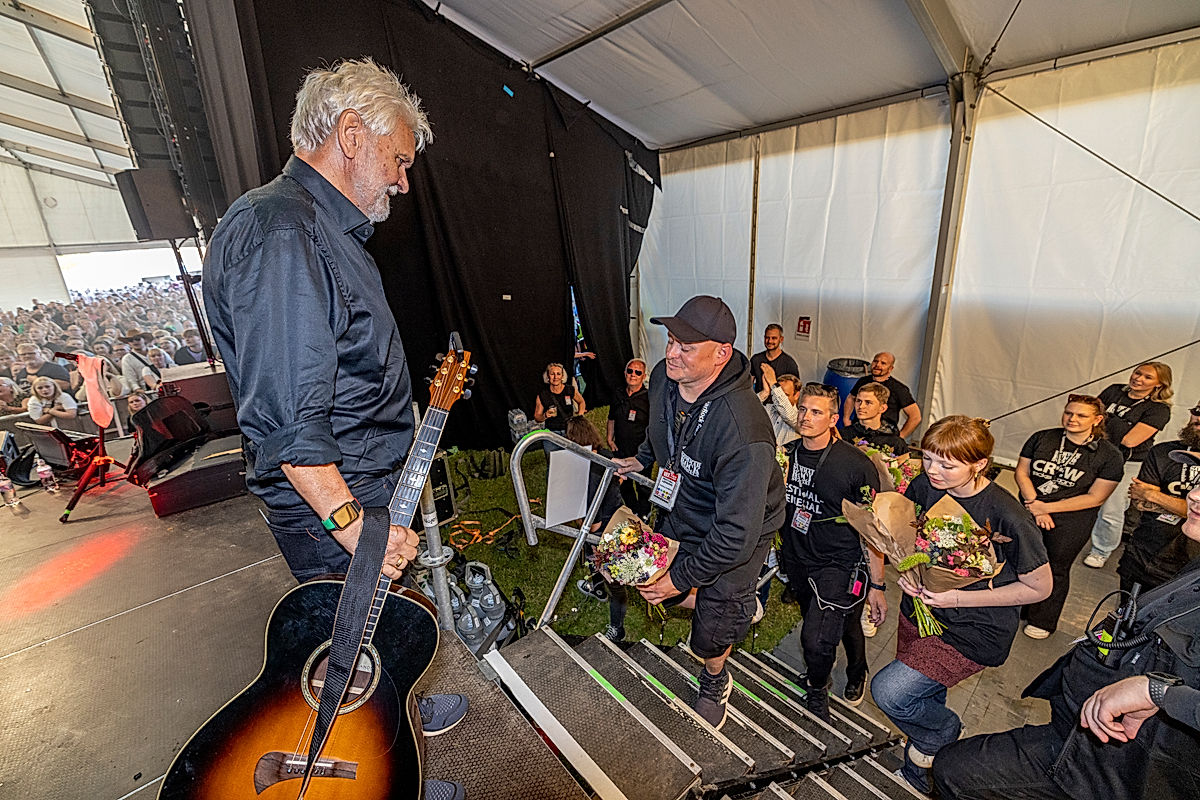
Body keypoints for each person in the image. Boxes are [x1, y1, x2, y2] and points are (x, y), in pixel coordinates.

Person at [201, 58, 468, 775]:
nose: (404, 181)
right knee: (342, 656)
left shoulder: (323, 230)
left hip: (360, 489)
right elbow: (291, 421)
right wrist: (356, 529)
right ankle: (362, 766)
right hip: (335, 502)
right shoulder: (287, 233)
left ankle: (401, 705)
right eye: (398, 159)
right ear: (352, 135)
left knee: (378, 633)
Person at [933, 456, 1200, 800]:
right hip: (1083, 737)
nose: (1193, 494)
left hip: (1124, 772)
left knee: (957, 772)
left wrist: (1160, 693)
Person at [614, 295, 785, 731]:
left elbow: (736, 535)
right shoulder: (663, 377)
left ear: (721, 353)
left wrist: (681, 576)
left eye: (686, 347)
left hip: (738, 531)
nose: (671, 353)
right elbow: (662, 426)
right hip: (687, 503)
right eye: (670, 340)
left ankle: (716, 676)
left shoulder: (743, 429)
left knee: (708, 632)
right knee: (658, 579)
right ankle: (731, 604)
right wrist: (642, 457)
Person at [871, 415, 1051, 794]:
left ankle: (944, 734)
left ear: (980, 464)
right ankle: (921, 768)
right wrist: (909, 572)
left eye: (947, 465)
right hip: (920, 612)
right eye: (929, 459)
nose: (933, 471)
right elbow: (911, 540)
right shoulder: (926, 484)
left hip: (974, 629)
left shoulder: (1008, 514)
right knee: (926, 693)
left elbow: (1039, 588)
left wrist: (958, 596)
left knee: (891, 692)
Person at [780, 382, 885, 719]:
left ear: (833, 418)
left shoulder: (855, 464)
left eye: (816, 412)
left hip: (839, 562)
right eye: (802, 409)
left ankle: (820, 685)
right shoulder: (788, 452)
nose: (805, 417)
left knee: (817, 638)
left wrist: (878, 585)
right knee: (843, 621)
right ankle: (848, 667)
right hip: (798, 557)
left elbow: (875, 527)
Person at [1016, 395, 1123, 638]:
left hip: (1070, 519)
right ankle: (1017, 605)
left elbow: (1096, 497)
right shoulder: (1042, 437)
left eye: (1081, 415)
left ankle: (1042, 619)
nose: (1072, 419)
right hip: (1031, 507)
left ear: (1097, 420)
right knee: (1020, 558)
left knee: (1055, 566)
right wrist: (1035, 504)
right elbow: (1022, 472)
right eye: (1068, 413)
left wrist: (1047, 509)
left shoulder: (1109, 455)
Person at [1085, 363, 1174, 568]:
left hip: (1129, 462)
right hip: (1096, 453)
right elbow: (1086, 417)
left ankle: (1101, 550)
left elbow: (1129, 440)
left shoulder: (1158, 410)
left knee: (1111, 507)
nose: (1138, 378)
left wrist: (1103, 422)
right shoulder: (1114, 390)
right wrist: (1115, 423)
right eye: (1137, 373)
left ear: (1159, 384)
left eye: (1147, 377)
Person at [1116, 404, 1200, 593]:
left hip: (1187, 571)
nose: (1198, 418)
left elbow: (1147, 495)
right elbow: (1140, 501)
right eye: (1197, 411)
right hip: (1142, 554)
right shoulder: (1164, 452)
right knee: (1124, 616)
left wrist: (1154, 494)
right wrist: (1152, 498)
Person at [567, 415, 629, 642]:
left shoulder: (586, 471)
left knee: (615, 581)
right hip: (618, 517)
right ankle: (598, 589)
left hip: (604, 531)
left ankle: (617, 629)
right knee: (600, 567)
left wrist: (574, 519)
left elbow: (592, 524)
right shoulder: (604, 456)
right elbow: (619, 480)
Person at [606, 358, 651, 515]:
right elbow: (611, 417)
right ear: (625, 373)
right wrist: (609, 439)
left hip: (640, 452)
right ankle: (633, 510)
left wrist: (649, 449)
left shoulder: (648, 398)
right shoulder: (618, 394)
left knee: (642, 484)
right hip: (620, 448)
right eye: (630, 371)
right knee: (623, 482)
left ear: (643, 376)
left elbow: (653, 427)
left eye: (638, 372)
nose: (633, 375)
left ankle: (645, 512)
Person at [844, 352, 921, 440]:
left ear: (890, 368)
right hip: (859, 432)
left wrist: (901, 437)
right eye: (875, 361)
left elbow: (915, 416)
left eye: (883, 363)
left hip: (885, 435)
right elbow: (851, 398)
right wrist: (846, 419)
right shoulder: (863, 381)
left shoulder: (899, 389)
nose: (877, 365)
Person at [844, 381, 908, 454]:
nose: (861, 406)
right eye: (858, 401)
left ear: (882, 408)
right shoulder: (844, 435)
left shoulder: (895, 443)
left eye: (868, 402)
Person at [533, 362, 584, 447]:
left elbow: (581, 402)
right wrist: (545, 415)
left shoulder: (570, 390)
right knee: (553, 458)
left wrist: (580, 416)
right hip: (552, 433)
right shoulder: (543, 395)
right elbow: (537, 417)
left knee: (571, 457)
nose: (555, 377)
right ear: (548, 377)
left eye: (558, 374)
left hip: (569, 430)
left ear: (562, 376)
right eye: (552, 374)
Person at [757, 362, 802, 446]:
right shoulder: (768, 409)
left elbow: (788, 415)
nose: (779, 398)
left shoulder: (800, 416)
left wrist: (774, 384)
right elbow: (746, 409)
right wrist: (765, 392)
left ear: (796, 395)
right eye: (776, 394)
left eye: (786, 395)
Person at [749, 323, 800, 395]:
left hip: (779, 404)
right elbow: (748, 384)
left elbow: (795, 391)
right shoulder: (756, 359)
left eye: (774, 338)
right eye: (767, 337)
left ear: (781, 339)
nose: (769, 341)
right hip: (759, 402)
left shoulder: (789, 363)